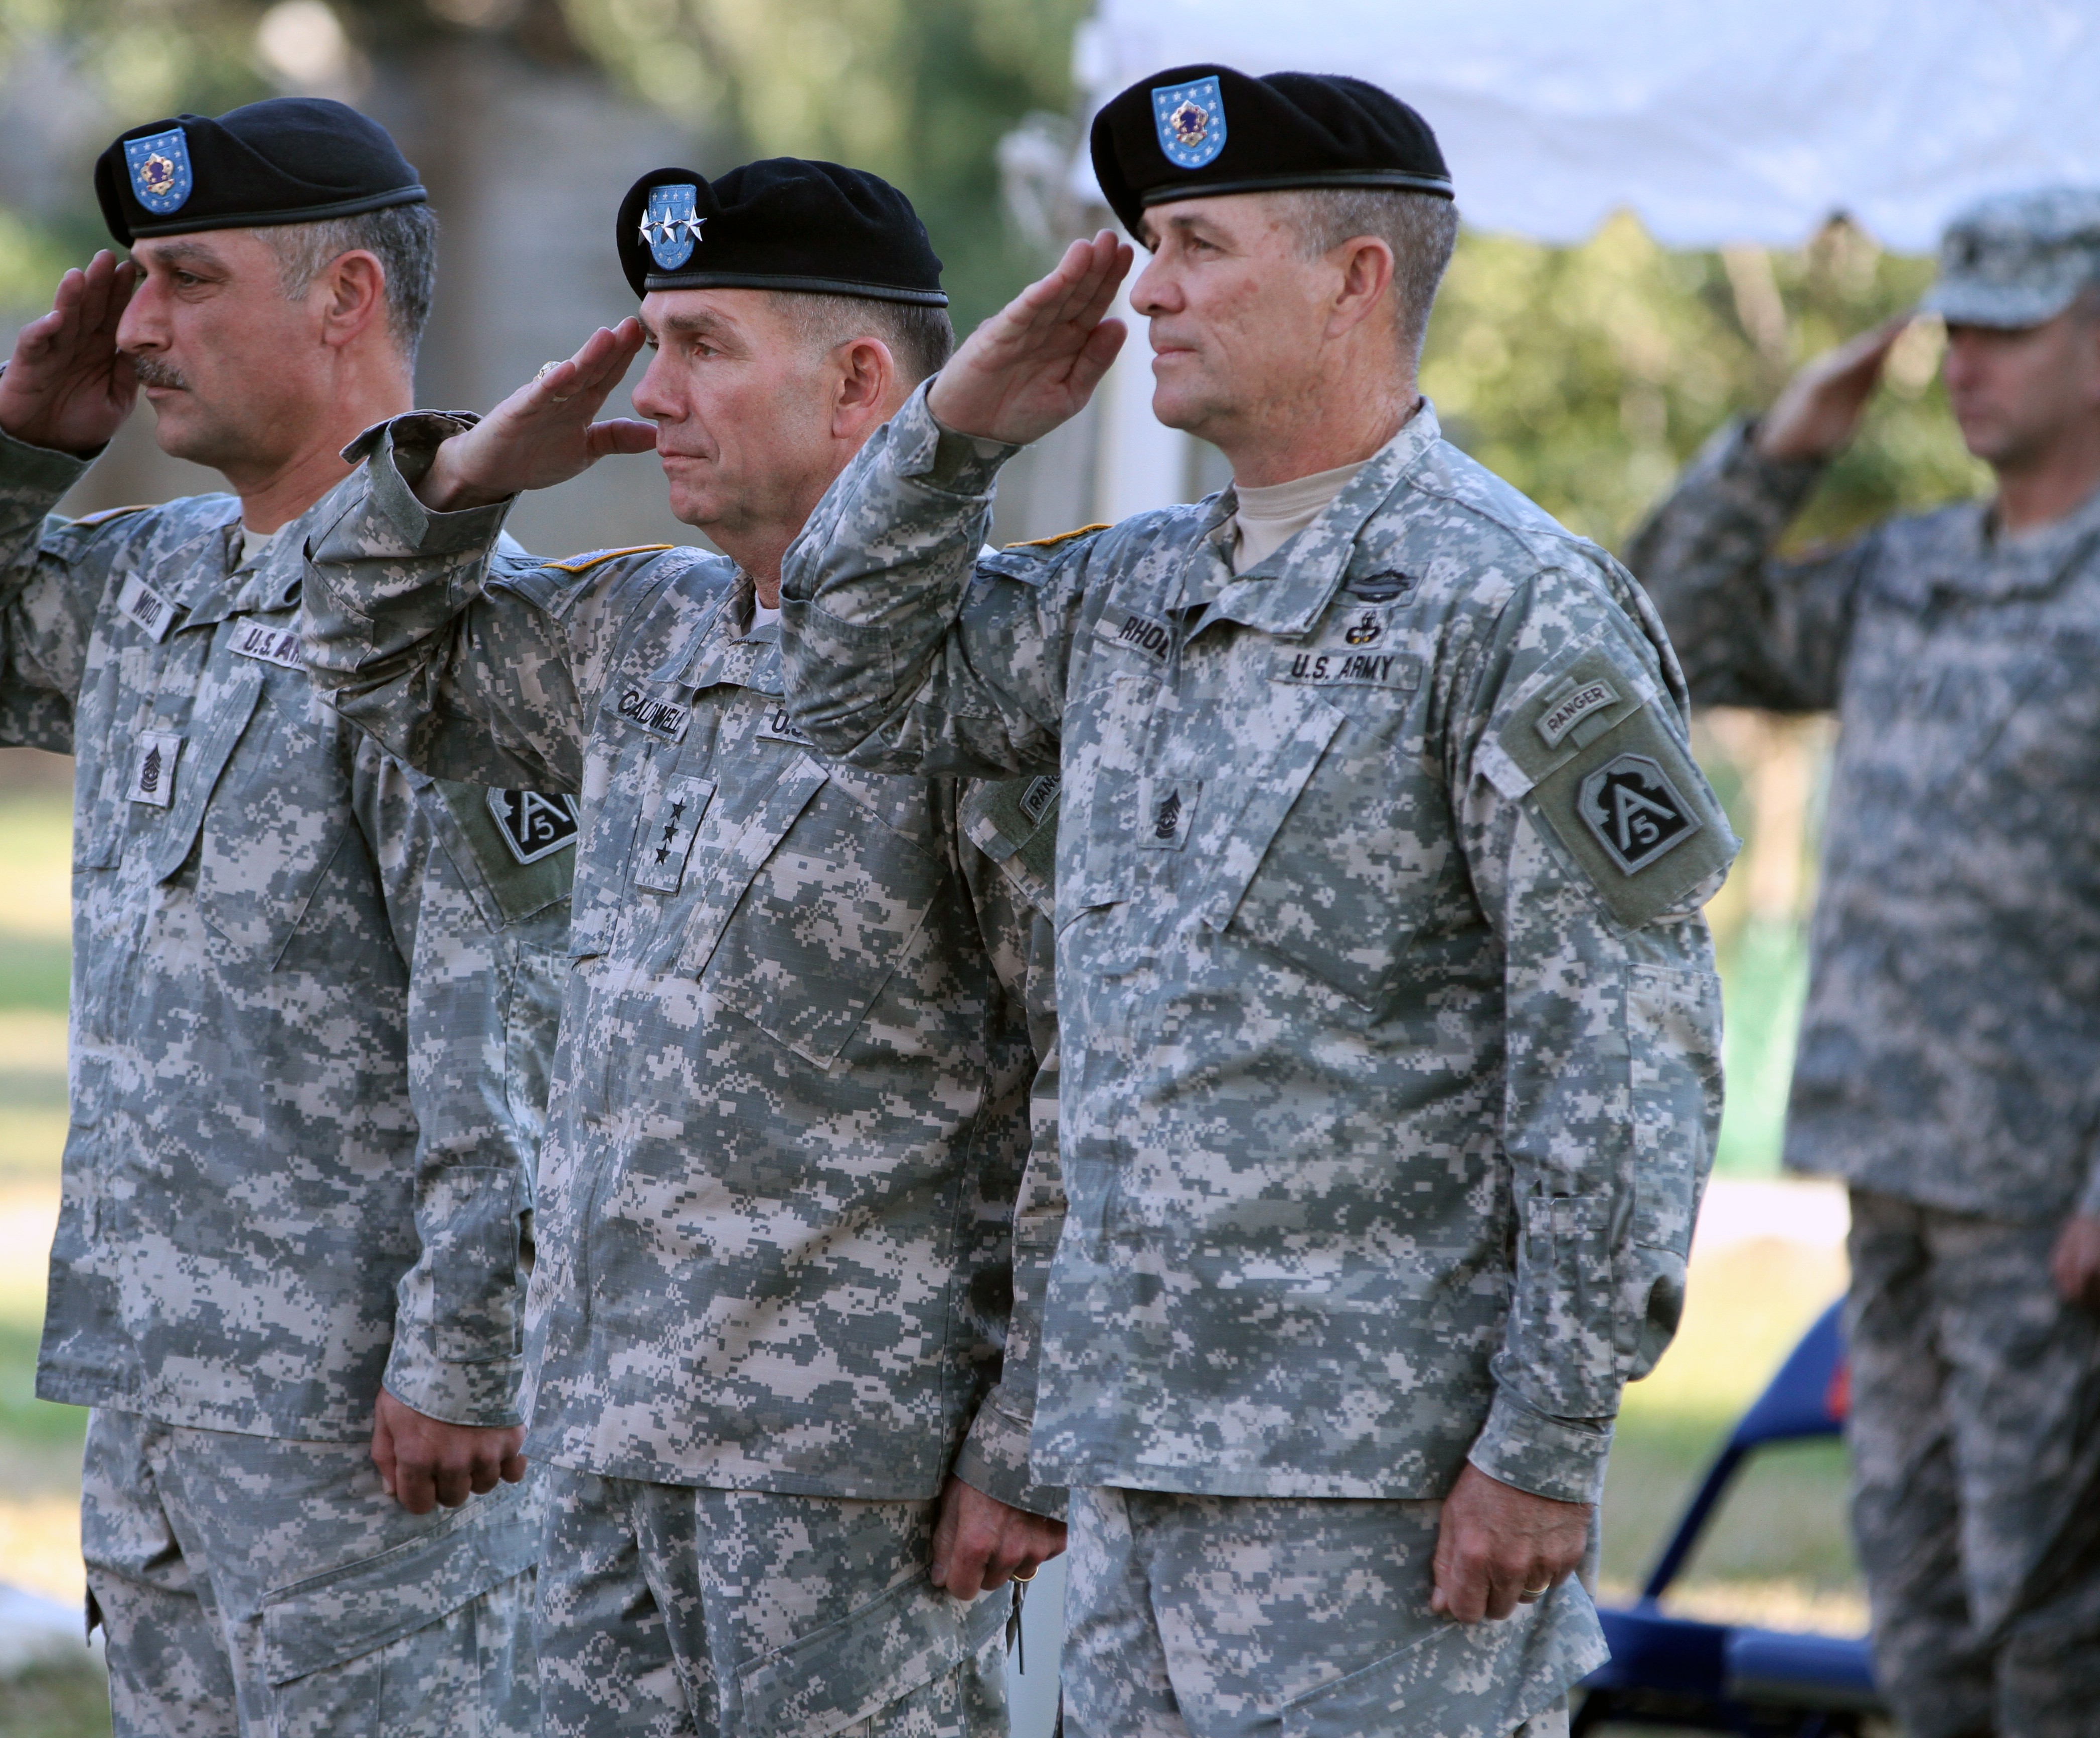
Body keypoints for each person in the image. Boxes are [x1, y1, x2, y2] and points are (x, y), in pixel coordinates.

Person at [777, 65, 1734, 1738]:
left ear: (1357, 281)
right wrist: (954, 436)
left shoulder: (1512, 609)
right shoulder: (1137, 594)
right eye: (1150, 244)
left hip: (1381, 1494)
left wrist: (1546, 1444)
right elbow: (843, 678)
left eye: (1201, 245)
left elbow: (1623, 1063)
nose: (1146, 284)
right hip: (1138, 1460)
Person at [296, 157, 1068, 1737]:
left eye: (703, 347)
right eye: (650, 344)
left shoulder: (991, 670)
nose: (653, 398)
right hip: (604, 1424)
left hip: (851, 1464)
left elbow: (1084, 1077)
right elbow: (364, 657)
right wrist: (467, 477)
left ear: (861, 382)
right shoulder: (648, 626)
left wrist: (1023, 1432)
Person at [0, 98, 572, 1738]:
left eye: (188, 280)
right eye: (135, 283)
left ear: (345, 301)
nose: (140, 325)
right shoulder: (163, 584)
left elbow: (515, 1016)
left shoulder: (468, 622)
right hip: (163, 1405)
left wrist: (464, 1356)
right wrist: (15, 435)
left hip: (366, 1438)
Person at [1625, 186, 2100, 1738]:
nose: (1967, 362)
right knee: (1920, 1597)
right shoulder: (1913, 571)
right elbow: (1669, 630)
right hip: (1889, 1158)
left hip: (2047, 1186)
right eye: (1954, 328)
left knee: (2054, 1606)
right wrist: (1784, 448)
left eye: (2011, 330)